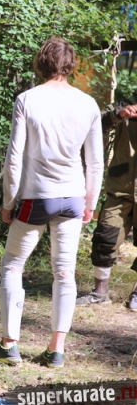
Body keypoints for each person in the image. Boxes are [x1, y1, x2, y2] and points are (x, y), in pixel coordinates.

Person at [0, 37, 104, 368]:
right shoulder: (88, 103)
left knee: (13, 265)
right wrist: (90, 202)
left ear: (41, 63)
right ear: (71, 65)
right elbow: (95, 162)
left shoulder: (28, 99)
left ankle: (9, 344)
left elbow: (14, 157)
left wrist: (9, 201)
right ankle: (56, 350)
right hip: (73, 198)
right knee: (64, 272)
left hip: (36, 196)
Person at [75, 90, 137, 311]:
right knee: (105, 238)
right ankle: (100, 293)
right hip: (119, 189)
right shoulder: (127, 103)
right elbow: (96, 122)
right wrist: (118, 115)